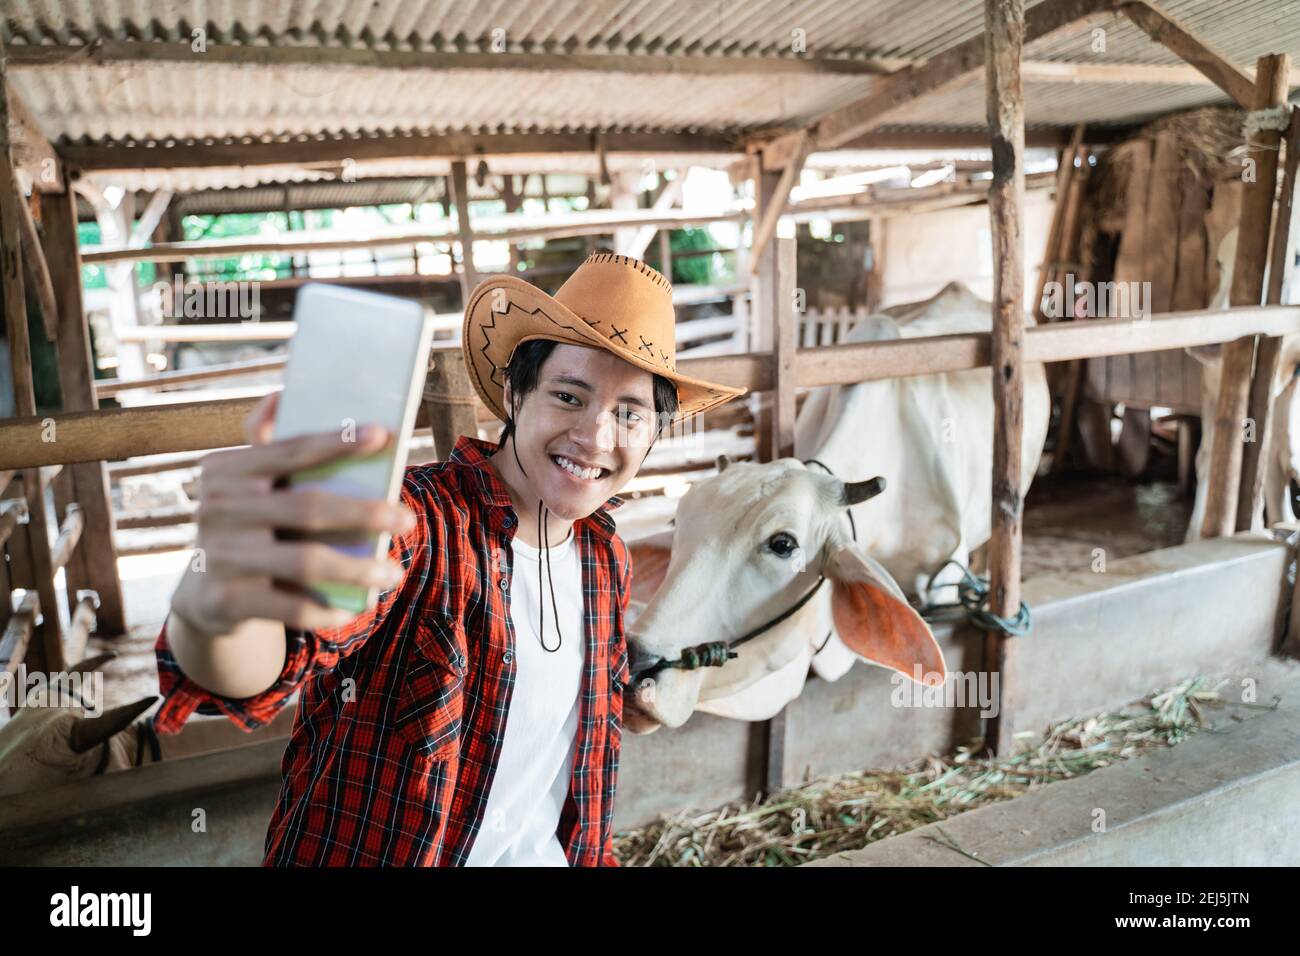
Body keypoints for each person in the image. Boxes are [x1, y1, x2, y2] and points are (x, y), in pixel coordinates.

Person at [153, 252, 746, 865]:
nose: (597, 436)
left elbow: (579, 709)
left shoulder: (604, 558)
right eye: (569, 396)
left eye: (630, 413)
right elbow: (262, 662)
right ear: (516, 395)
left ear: (652, 433)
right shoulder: (416, 523)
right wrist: (222, 595)